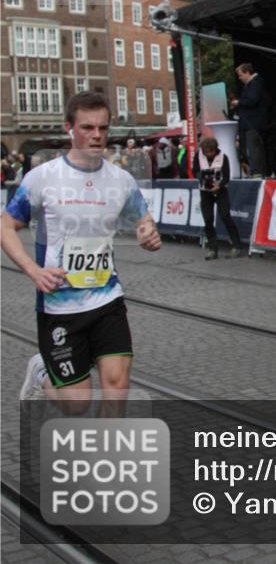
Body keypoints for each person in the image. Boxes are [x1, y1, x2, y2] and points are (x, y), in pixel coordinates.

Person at [2, 91, 161, 406]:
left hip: (107, 298)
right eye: (87, 127)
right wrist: (34, 271)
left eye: (102, 128)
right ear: (69, 128)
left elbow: (143, 220)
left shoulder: (121, 180)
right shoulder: (42, 178)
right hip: (60, 305)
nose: (97, 135)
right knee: (76, 403)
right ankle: (41, 373)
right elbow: (6, 227)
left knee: (117, 388)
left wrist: (148, 235)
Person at [192, 137, 243, 260]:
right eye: (206, 152)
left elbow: (226, 176)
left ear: (215, 149)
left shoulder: (223, 157)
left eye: (210, 152)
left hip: (220, 191)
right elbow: (195, 170)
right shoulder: (198, 155)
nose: (208, 154)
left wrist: (218, 186)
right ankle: (212, 249)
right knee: (208, 219)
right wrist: (202, 177)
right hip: (205, 191)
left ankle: (236, 246)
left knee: (225, 216)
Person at [230, 63, 268, 177]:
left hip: (253, 123)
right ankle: (254, 171)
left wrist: (239, 102)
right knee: (249, 149)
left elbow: (253, 100)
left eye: (241, 75)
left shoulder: (256, 83)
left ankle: (258, 173)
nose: (239, 78)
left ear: (247, 73)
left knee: (254, 149)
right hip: (248, 123)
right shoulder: (250, 85)